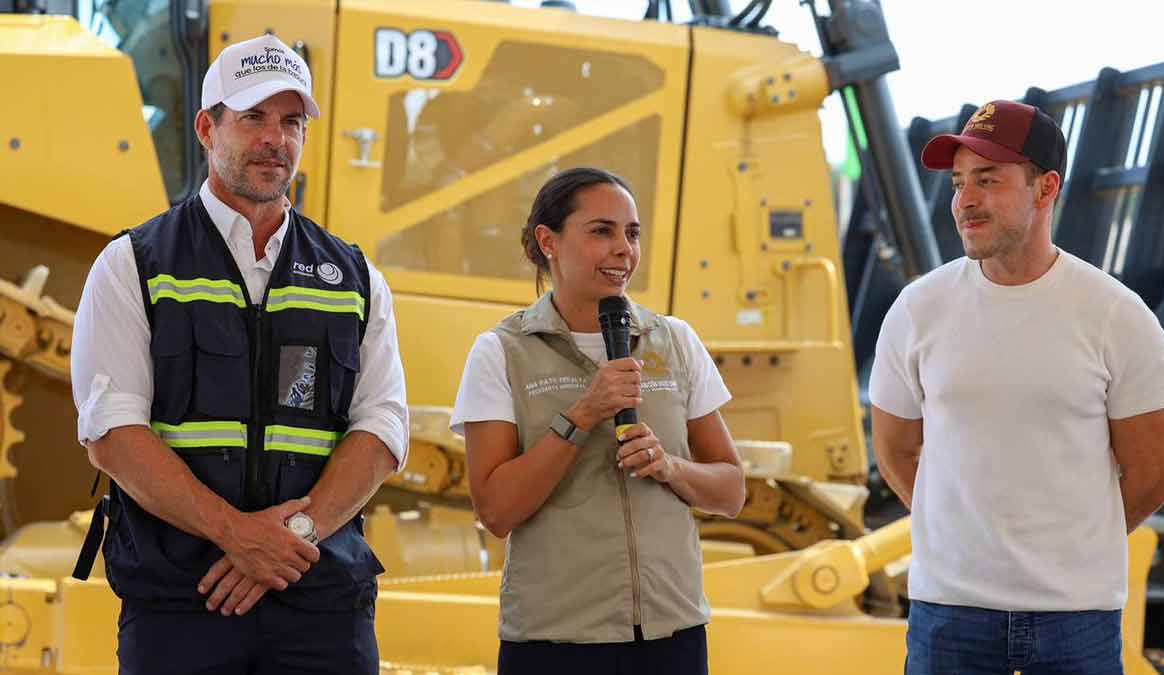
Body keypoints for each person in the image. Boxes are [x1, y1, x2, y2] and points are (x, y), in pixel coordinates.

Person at [70, 34, 408, 674]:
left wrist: (286, 544)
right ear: (206, 126)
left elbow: (384, 425)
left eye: (291, 121)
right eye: (253, 117)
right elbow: (111, 431)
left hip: (320, 603)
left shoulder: (354, 276)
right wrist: (235, 533)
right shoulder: (135, 265)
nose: (274, 139)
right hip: (181, 603)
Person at [869, 99, 1164, 674]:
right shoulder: (919, 310)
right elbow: (894, 449)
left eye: (987, 180)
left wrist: (1068, 550)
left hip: (1075, 620)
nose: (964, 199)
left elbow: (1155, 475)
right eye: (960, 182)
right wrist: (961, 533)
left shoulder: (1117, 316)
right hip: (949, 615)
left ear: (1045, 188)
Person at [450, 167, 745, 674]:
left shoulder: (673, 340)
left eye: (632, 233)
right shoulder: (501, 351)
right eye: (601, 231)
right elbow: (496, 511)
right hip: (554, 640)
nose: (623, 249)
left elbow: (732, 489)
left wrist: (670, 467)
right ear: (548, 241)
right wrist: (582, 414)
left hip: (672, 636)